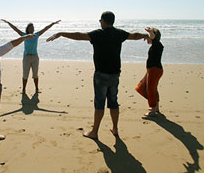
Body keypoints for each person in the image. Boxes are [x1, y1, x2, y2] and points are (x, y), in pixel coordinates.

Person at [46, 11, 150, 139]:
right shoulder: (119, 33)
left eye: (100, 20)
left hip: (101, 75)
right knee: (113, 102)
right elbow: (134, 36)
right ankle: (115, 128)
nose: (100, 22)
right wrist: (145, 35)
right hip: (115, 75)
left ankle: (94, 132)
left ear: (104, 21)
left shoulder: (98, 34)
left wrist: (61, 33)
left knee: (100, 103)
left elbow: (79, 36)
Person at [1, 19, 61, 94]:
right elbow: (16, 29)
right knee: (25, 75)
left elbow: (45, 29)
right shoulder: (24, 35)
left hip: (35, 57)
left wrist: (53, 23)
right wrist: (8, 23)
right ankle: (23, 90)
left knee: (35, 74)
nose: (32, 29)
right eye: (30, 27)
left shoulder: (36, 35)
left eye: (33, 27)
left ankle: (36, 89)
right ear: (28, 29)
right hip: (26, 57)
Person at [135, 27, 164, 117]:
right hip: (152, 70)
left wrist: (150, 32)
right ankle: (156, 107)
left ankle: (153, 109)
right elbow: (153, 40)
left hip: (154, 70)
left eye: (151, 36)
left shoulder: (157, 45)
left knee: (150, 89)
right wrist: (149, 37)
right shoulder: (155, 45)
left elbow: (154, 39)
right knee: (147, 87)